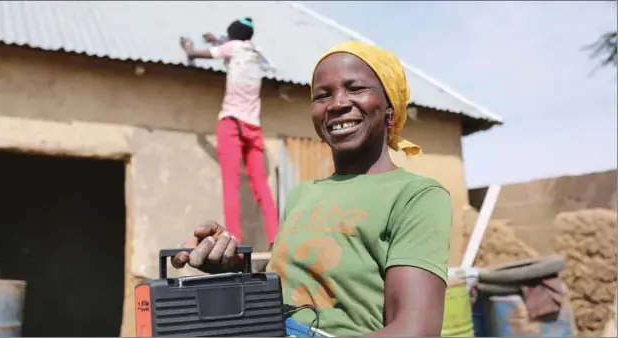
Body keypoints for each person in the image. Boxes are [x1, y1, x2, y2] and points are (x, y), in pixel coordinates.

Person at [172, 40, 452, 337]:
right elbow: (291, 293)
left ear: (390, 107)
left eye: (356, 88)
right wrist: (231, 267)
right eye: (323, 95)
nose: (337, 103)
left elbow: (415, 330)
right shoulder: (302, 195)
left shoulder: (416, 196)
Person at [179, 17, 279, 247]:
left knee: (231, 184)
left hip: (232, 123)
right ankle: (275, 236)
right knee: (261, 186)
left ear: (232, 36)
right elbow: (234, 42)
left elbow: (199, 54)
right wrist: (217, 39)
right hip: (253, 126)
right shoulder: (256, 53)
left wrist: (188, 47)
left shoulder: (231, 48)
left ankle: (234, 238)